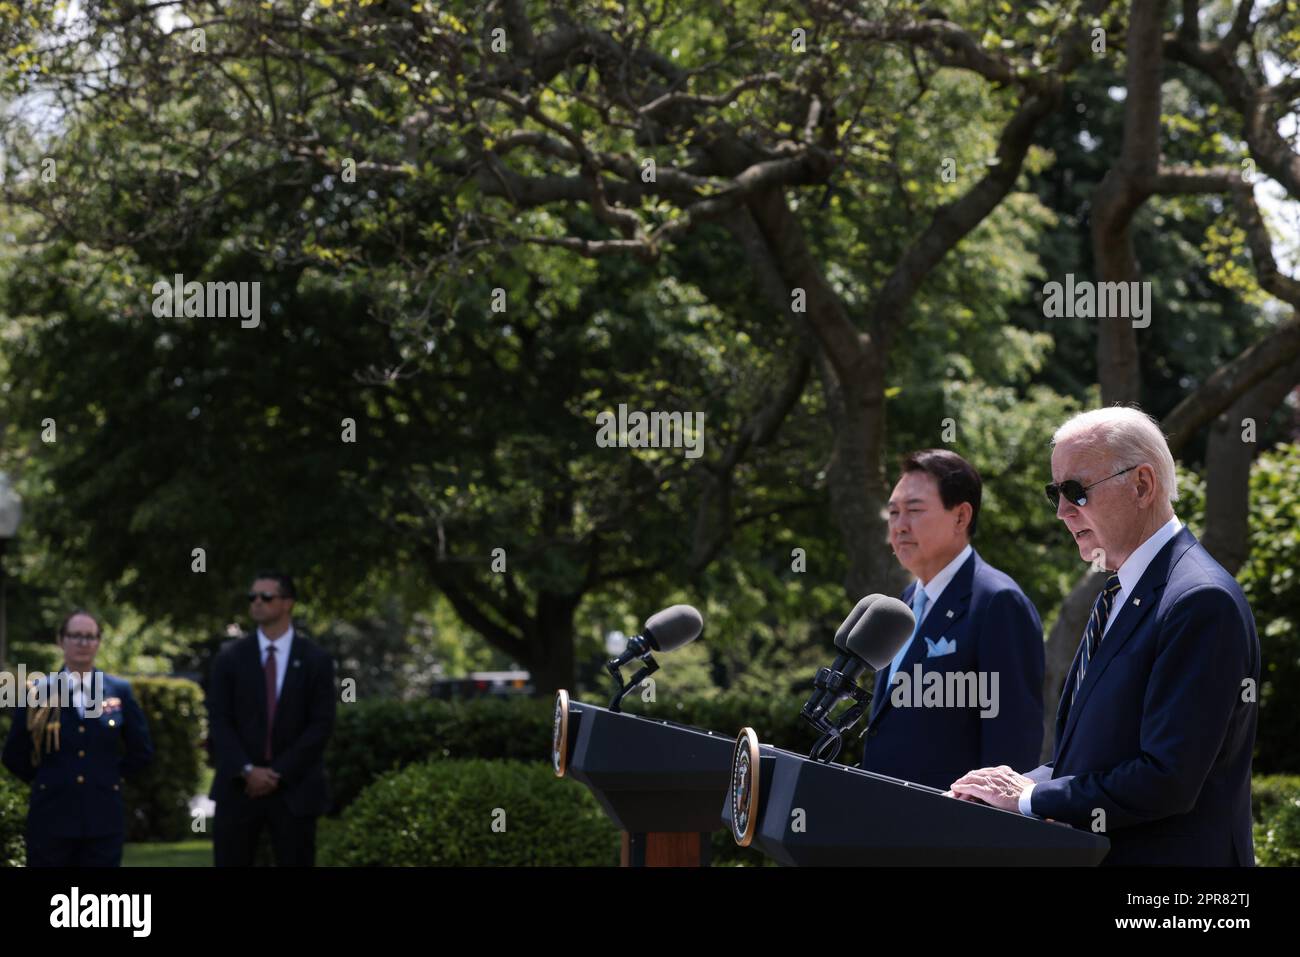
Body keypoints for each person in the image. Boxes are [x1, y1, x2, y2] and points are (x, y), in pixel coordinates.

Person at [950, 407, 1259, 865]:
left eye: (1076, 491)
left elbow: (1167, 779)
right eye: (1054, 492)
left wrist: (1030, 800)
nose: (1061, 511)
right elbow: (1088, 760)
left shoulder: (1199, 600)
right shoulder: (1119, 591)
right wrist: (1014, 786)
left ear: (1142, 485)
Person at [860, 449, 1044, 789]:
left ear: (961, 517)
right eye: (893, 512)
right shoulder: (903, 605)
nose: (899, 526)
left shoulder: (997, 603)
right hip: (885, 822)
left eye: (914, 511)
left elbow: (1012, 744)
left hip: (951, 830)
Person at [1, 611, 153, 866]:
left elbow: (141, 751)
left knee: (98, 906)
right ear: (61, 641)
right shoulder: (38, 691)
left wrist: (108, 777)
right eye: (75, 636)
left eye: (90, 637)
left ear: (98, 642)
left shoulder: (118, 691)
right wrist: (48, 779)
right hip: (51, 816)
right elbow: (14, 753)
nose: (83, 643)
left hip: (103, 817)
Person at [207, 571, 336, 866]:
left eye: (266, 597)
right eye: (252, 597)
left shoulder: (316, 659)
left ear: (288, 603)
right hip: (239, 789)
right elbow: (219, 719)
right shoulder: (230, 657)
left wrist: (278, 773)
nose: (257, 603)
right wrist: (247, 769)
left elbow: (321, 724)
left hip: (295, 789)